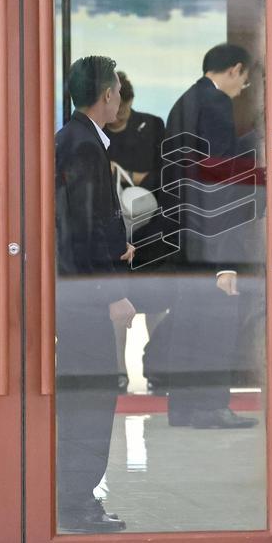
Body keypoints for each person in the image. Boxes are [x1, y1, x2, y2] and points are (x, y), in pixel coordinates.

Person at [54, 55, 134, 532]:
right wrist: (111, 293)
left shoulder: (75, 138)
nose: (120, 99)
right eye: (118, 91)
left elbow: (87, 223)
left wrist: (115, 242)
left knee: (85, 393)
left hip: (75, 289)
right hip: (83, 295)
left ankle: (72, 495)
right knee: (92, 396)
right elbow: (81, 231)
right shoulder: (84, 146)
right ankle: (77, 501)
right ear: (106, 94)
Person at [161, 43, 258, 429]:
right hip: (213, 232)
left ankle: (183, 407)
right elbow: (220, 178)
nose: (242, 88)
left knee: (188, 320)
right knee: (218, 321)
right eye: (245, 80)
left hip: (186, 230)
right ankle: (211, 406)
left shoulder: (184, 102)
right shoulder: (216, 103)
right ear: (235, 69)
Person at [104, 71, 168, 392]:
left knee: (157, 300)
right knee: (117, 302)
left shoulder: (152, 126)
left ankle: (157, 367)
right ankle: (119, 370)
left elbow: (167, 171)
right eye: (115, 110)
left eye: (125, 110)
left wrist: (135, 175)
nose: (120, 117)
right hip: (115, 229)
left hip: (151, 226)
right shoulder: (96, 133)